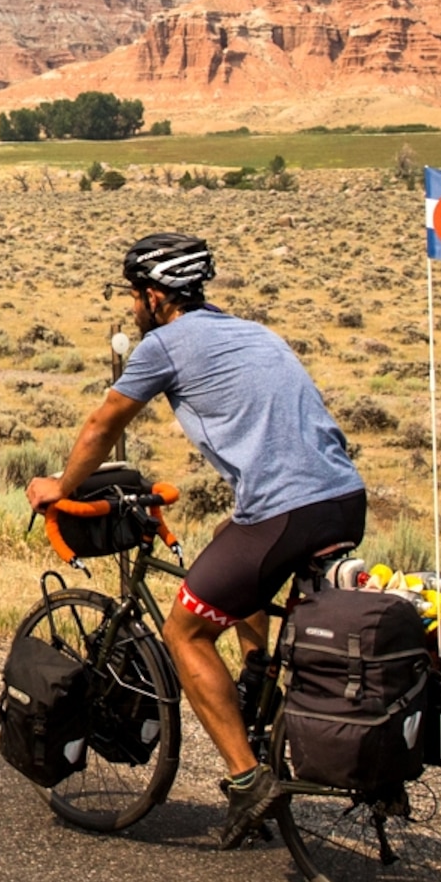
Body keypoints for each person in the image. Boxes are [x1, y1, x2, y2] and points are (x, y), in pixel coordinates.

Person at [28, 232, 367, 847]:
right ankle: (257, 677)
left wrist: (61, 485)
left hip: (284, 513)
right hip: (344, 500)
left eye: (135, 293)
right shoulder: (252, 332)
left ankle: (247, 782)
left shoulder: (163, 345)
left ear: (156, 297)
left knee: (183, 631)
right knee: (228, 538)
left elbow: (104, 424)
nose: (133, 304)